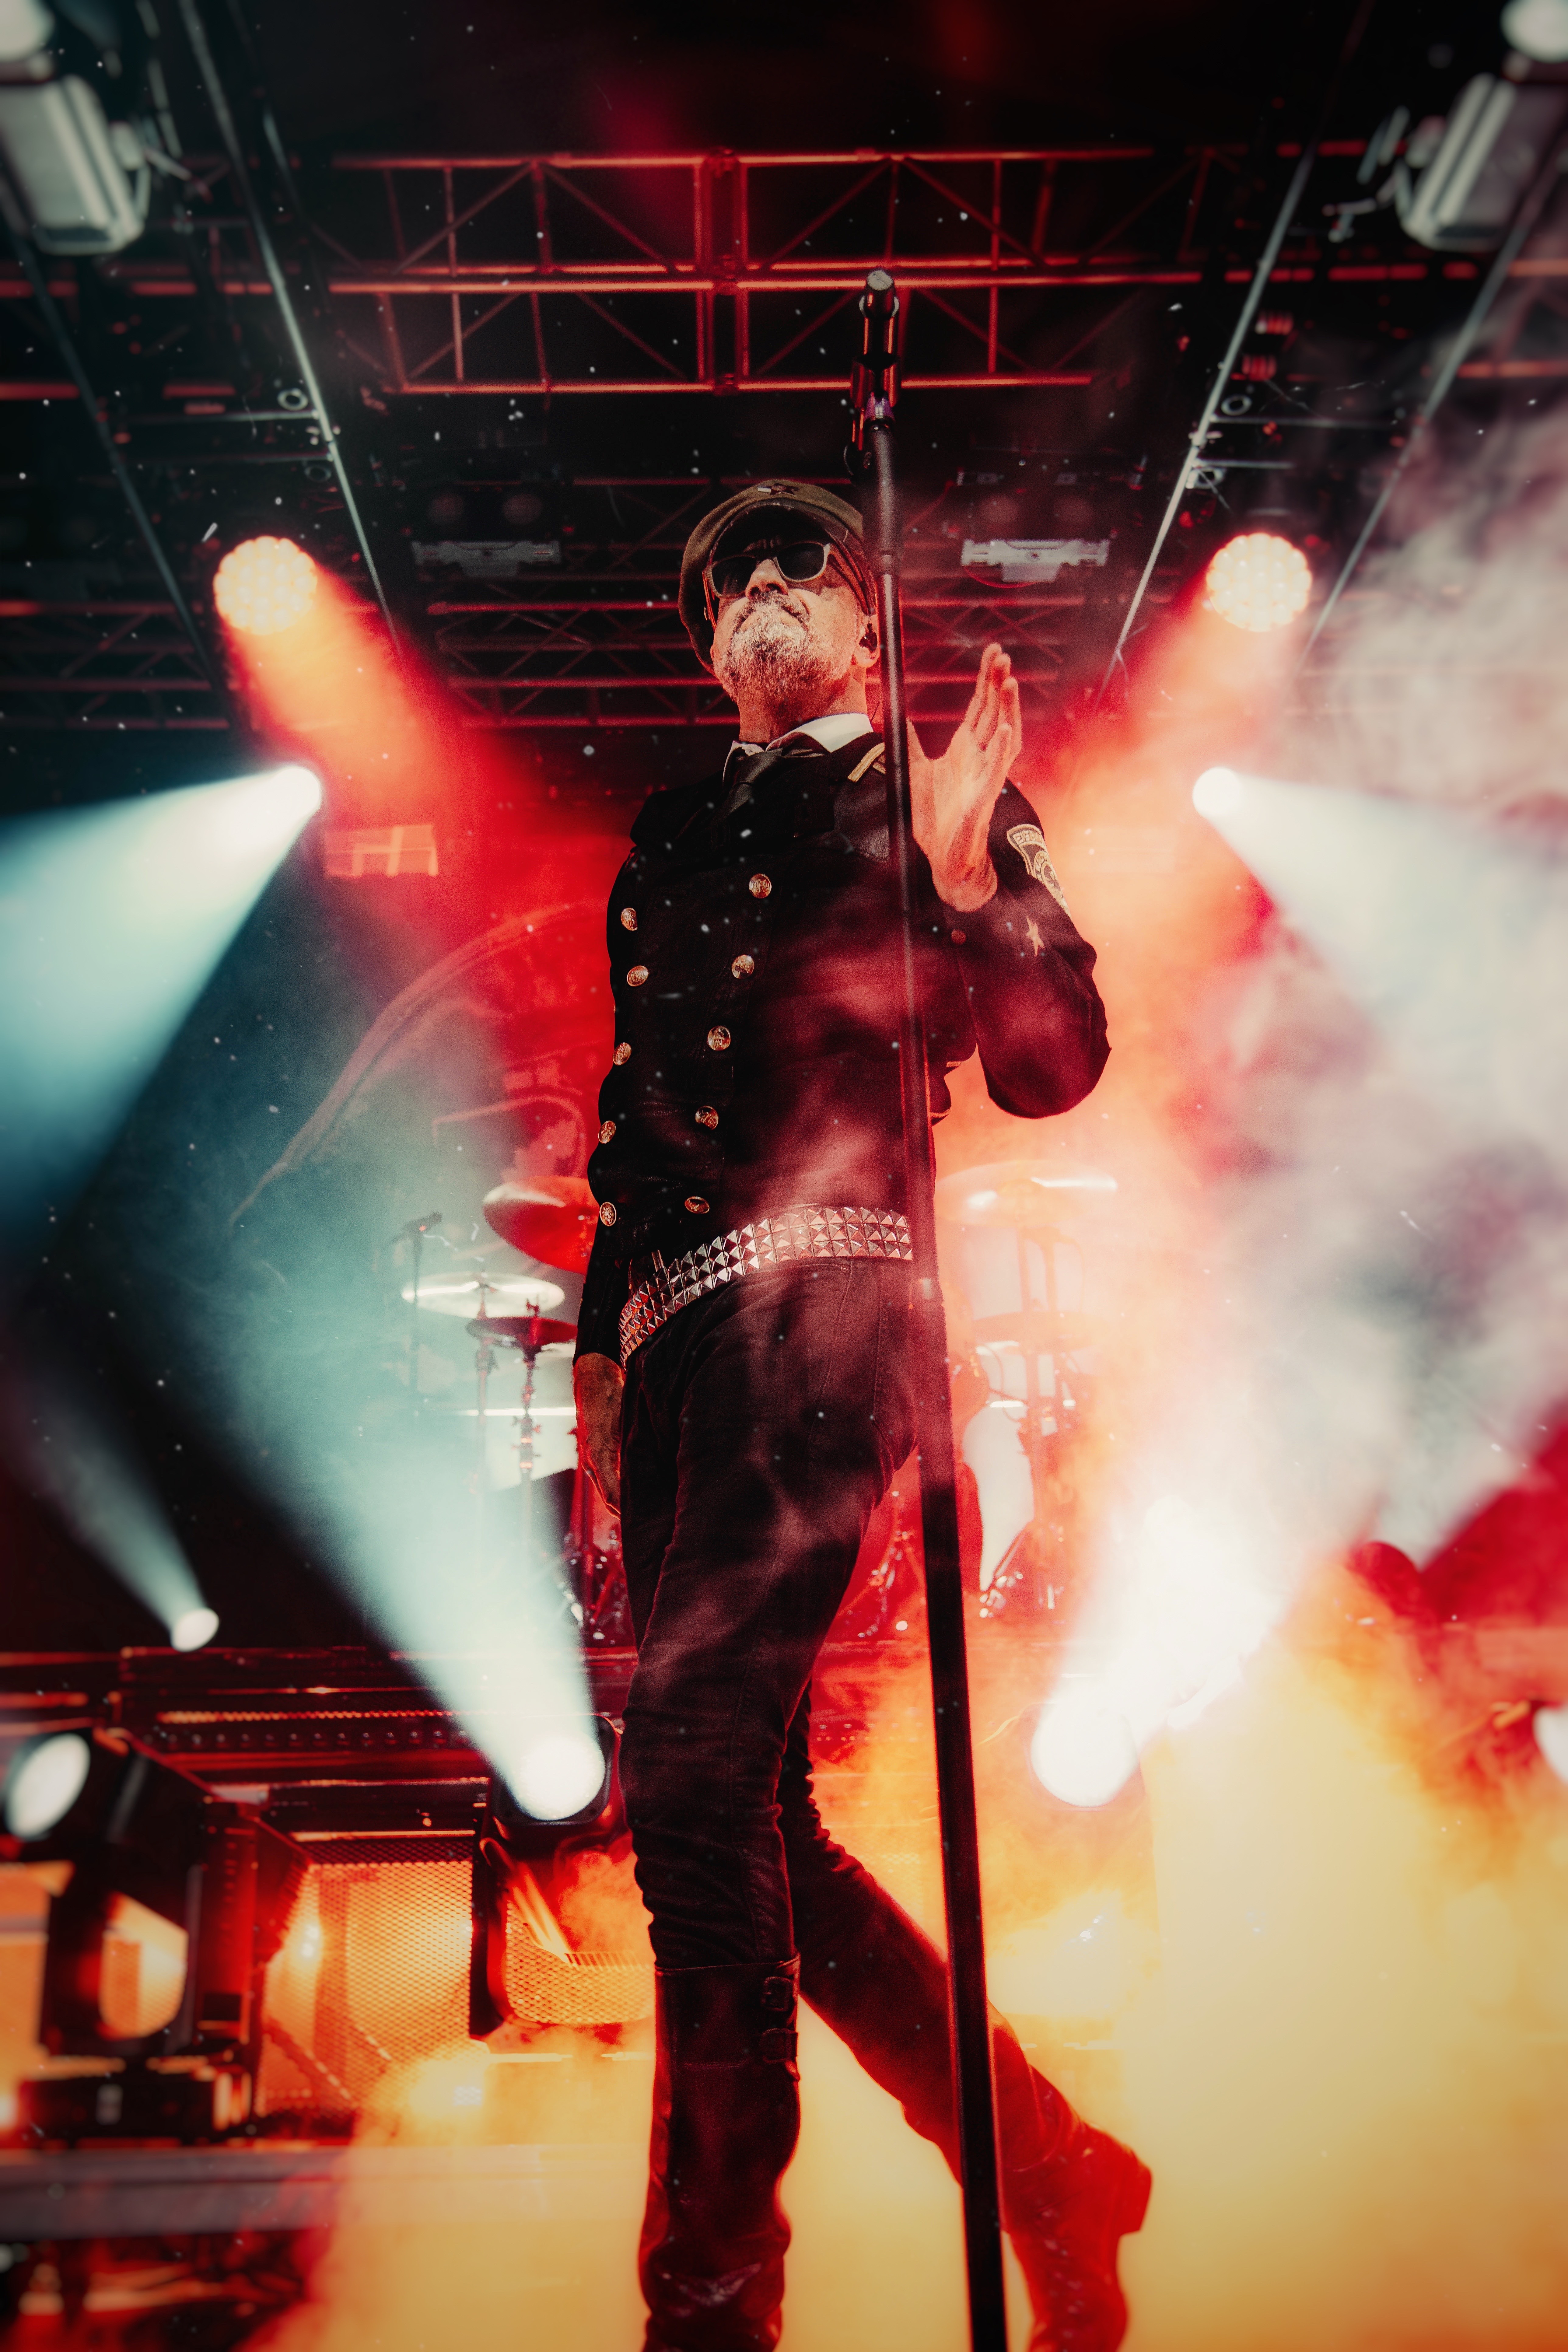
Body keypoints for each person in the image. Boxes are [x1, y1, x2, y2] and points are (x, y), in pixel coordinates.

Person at [571, 479, 1149, 2352]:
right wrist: (599, 1352)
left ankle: (711, 2308)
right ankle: (1053, 2170)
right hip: (679, 1353)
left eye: (798, 559)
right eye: (725, 575)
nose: (759, 584)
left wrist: (975, 885)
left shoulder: (927, 791)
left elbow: (1053, 1071)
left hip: (827, 1313)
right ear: (704, 644)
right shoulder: (667, 837)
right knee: (755, 1827)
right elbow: (634, 1117)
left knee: (687, 1776)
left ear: (862, 614)